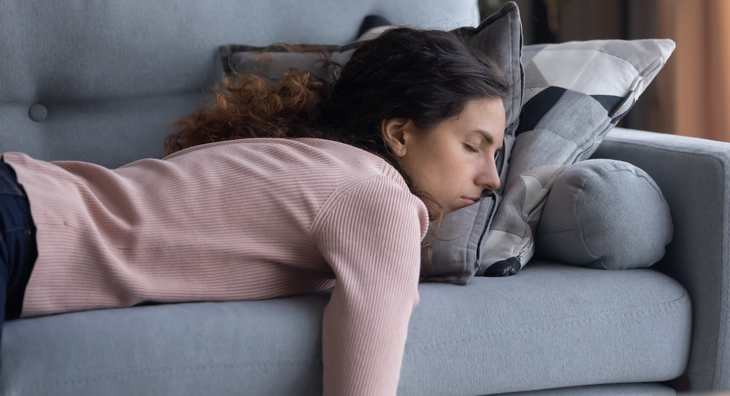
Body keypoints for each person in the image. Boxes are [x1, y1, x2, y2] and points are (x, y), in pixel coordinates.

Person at [0, 27, 507, 395]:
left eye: (496, 154)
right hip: (19, 225)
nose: (493, 179)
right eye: (473, 146)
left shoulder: (311, 160)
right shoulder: (379, 198)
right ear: (399, 133)